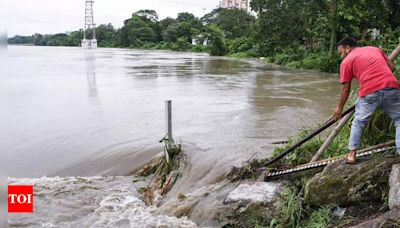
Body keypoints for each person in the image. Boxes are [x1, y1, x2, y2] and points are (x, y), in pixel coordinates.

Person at [334, 36, 400, 164]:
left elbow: (346, 89)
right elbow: (391, 68)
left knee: (359, 122)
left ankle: (352, 154)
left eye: (341, 52)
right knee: (399, 119)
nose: (341, 56)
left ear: (347, 48)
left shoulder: (347, 61)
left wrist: (339, 108)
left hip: (369, 92)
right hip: (392, 87)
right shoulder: (375, 49)